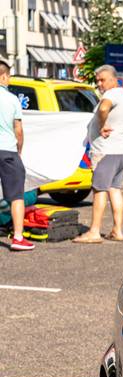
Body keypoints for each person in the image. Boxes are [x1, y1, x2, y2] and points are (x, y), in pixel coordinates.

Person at [73, 64, 123, 244]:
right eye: (98, 80)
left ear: (114, 79)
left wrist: (100, 126)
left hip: (107, 152)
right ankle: (117, 230)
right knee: (114, 189)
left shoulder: (111, 94)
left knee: (99, 189)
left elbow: (102, 109)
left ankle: (94, 231)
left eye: (103, 80)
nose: (99, 83)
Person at [0, 58, 34, 251]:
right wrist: (19, 148)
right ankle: (18, 238)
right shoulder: (12, 99)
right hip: (7, 150)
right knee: (16, 196)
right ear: (4, 76)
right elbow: (18, 129)